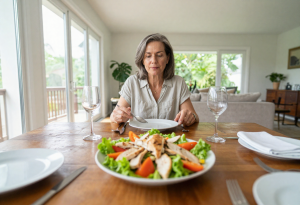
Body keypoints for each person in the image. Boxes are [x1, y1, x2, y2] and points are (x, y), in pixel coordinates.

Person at [110, 33, 199, 126]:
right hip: (138, 138)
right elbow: (114, 115)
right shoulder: (132, 82)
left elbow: (194, 117)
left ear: (167, 58)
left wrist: (190, 117)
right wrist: (117, 116)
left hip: (170, 138)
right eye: (148, 56)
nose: (154, 61)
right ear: (142, 60)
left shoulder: (179, 83)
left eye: (159, 55)